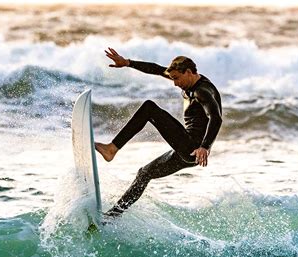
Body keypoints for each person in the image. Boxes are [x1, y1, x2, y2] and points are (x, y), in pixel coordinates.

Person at [95, 47, 222, 217]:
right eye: (173, 78)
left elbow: (216, 117)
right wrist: (127, 63)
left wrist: (205, 147)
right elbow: (155, 68)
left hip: (194, 147)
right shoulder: (188, 81)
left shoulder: (202, 91)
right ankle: (112, 216)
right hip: (188, 153)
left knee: (149, 108)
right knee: (144, 173)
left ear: (189, 72)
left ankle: (112, 149)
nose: (175, 83)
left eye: (177, 79)